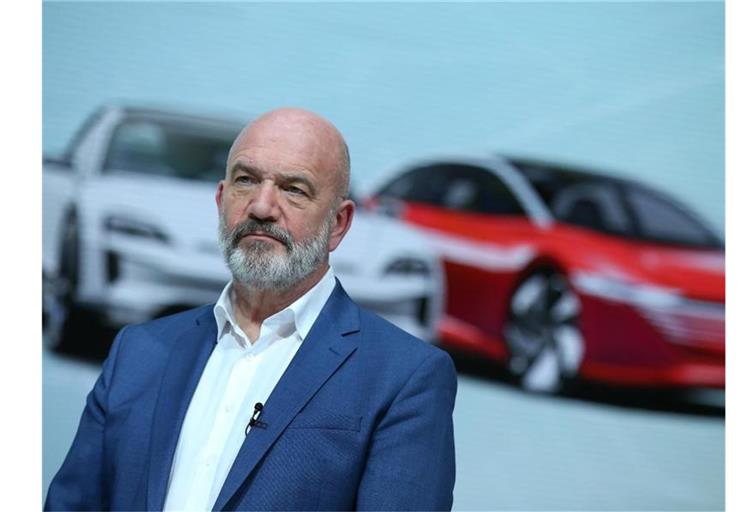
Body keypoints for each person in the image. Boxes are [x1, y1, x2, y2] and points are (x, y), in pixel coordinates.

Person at [45, 108, 457, 511]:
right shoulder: (138, 352)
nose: (261, 207)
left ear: (339, 224)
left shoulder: (404, 378)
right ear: (222, 199)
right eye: (246, 181)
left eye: (294, 189)